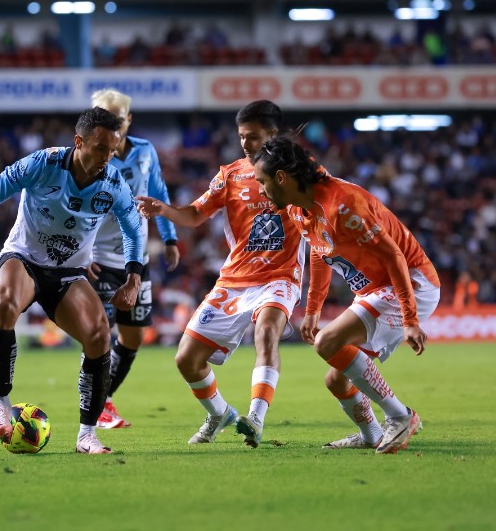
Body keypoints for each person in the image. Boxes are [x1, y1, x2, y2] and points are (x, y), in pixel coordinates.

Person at [0, 107, 144, 455]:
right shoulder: (42, 164)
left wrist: (133, 278)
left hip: (69, 274)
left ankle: (87, 435)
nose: (108, 157)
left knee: (99, 335)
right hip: (24, 259)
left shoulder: (114, 184)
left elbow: (133, 228)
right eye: (100, 148)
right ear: (78, 142)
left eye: (112, 149)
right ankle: (1, 402)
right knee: (4, 304)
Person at [252, 136, 441, 454]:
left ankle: (400, 415)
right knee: (337, 381)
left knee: (328, 342)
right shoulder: (301, 209)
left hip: (411, 284)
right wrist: (313, 308)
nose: (260, 189)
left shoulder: (343, 204)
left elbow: (394, 256)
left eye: (262, 181)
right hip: (374, 289)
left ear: (281, 178)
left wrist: (410, 319)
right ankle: (371, 434)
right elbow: (318, 250)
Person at [137, 100, 304, 448]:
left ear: (272, 134)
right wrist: (165, 210)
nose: (246, 143)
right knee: (186, 359)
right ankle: (219, 413)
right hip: (235, 281)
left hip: (280, 275)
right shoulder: (230, 174)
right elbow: (196, 214)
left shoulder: (300, 170)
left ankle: (255, 418)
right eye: (242, 136)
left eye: (254, 136)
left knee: (267, 330)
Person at [88, 88, 180, 429]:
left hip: (134, 257)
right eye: (102, 116)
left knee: (133, 337)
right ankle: (96, 408)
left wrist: (169, 237)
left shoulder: (144, 151)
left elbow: (158, 192)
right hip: (97, 256)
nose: (110, 123)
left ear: (129, 119)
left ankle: (103, 400)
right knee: (99, 332)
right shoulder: (88, 154)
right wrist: (78, 251)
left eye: (116, 117)